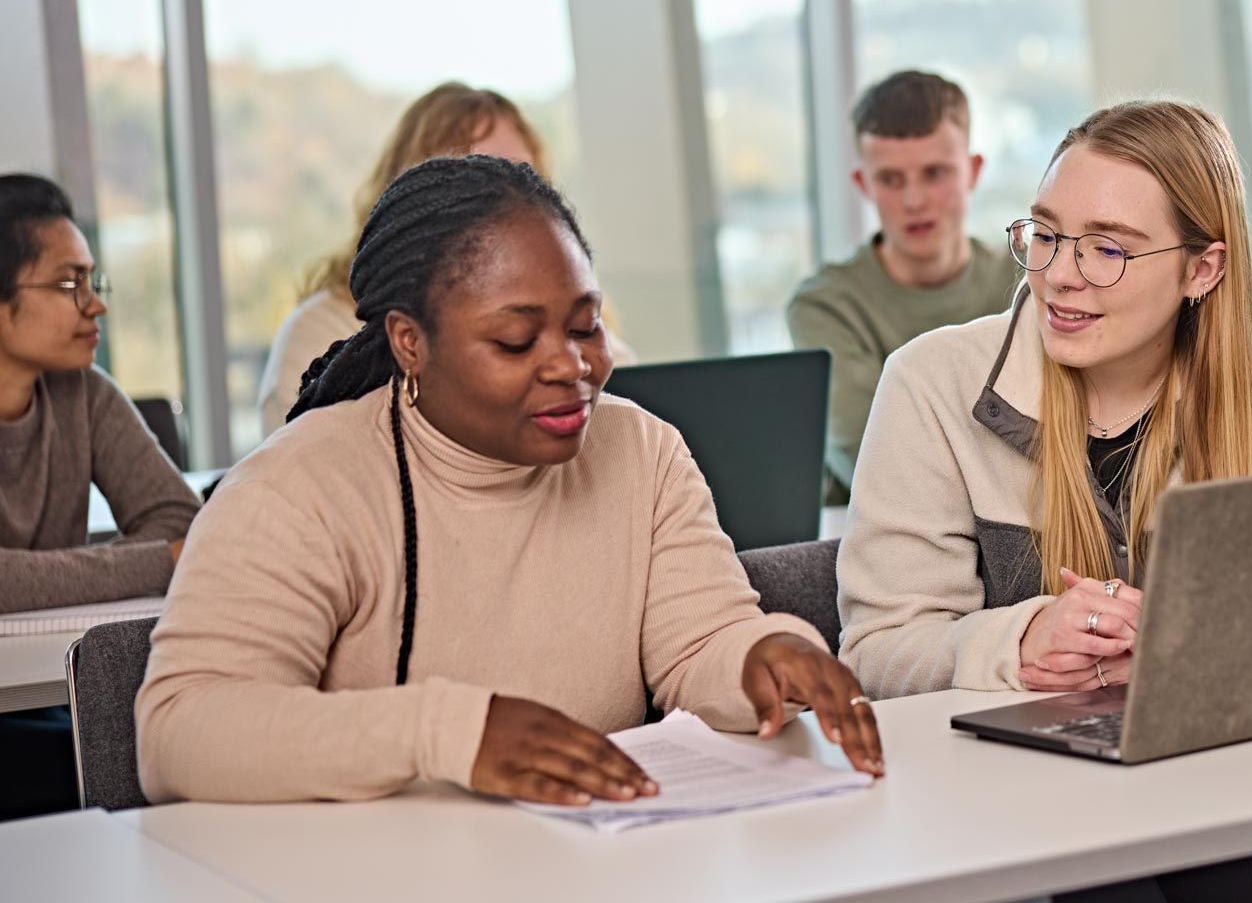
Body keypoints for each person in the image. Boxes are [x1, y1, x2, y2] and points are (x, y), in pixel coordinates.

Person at [838, 100, 1252, 901]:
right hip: (1017, 808)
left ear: (1203, 269)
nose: (1061, 273)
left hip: (1235, 779)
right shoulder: (931, 383)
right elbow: (878, 647)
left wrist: (1193, 647)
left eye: (1107, 249)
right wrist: (1017, 642)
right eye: (1047, 234)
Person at [138, 156, 881, 805]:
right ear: (409, 342)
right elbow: (182, 729)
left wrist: (761, 657)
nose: (572, 367)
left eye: (586, 326)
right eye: (516, 340)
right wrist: (448, 733)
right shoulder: (298, 488)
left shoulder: (641, 449)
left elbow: (698, 644)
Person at [256, 82, 631, 437]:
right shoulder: (319, 334)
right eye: (469, 179)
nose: (502, 201)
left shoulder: (594, 339)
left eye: (520, 176)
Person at [0, 173, 200, 819]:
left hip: (49, 690)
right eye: (69, 284)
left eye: (94, 281)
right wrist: (154, 560)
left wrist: (164, 552)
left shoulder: (83, 392)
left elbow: (181, 523)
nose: (96, 306)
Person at [787, 70, 1019, 503]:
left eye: (935, 173)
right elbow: (875, 465)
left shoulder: (1024, 281)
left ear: (973, 172)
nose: (914, 201)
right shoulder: (825, 305)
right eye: (891, 180)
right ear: (864, 185)